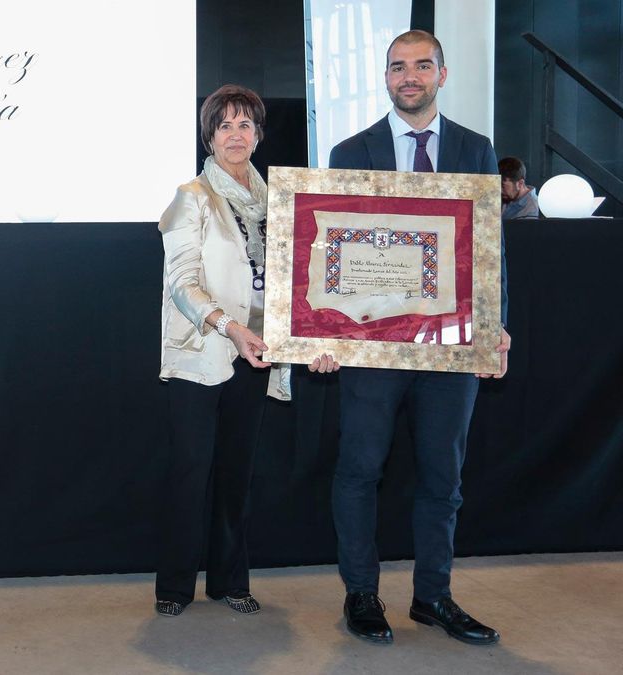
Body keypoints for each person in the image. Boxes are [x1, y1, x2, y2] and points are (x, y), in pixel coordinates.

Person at [328, 30, 511, 646]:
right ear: (384, 77)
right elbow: (330, 249)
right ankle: (361, 594)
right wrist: (322, 332)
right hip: (372, 348)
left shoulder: (476, 149)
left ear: (442, 72)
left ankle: (433, 596)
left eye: (421, 65)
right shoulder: (350, 151)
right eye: (398, 67)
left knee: (444, 480)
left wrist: (494, 328)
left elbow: (490, 249)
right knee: (360, 470)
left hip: (452, 345)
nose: (410, 76)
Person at [154, 84, 338, 618]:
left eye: (245, 125)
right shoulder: (192, 196)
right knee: (190, 471)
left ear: (258, 135)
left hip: (258, 355)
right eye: (224, 126)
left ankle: (230, 579)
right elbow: (182, 282)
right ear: (209, 137)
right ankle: (174, 586)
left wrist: (315, 340)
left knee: (238, 471)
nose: (235, 135)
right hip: (203, 350)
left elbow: (306, 282)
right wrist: (231, 327)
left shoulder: (283, 201)